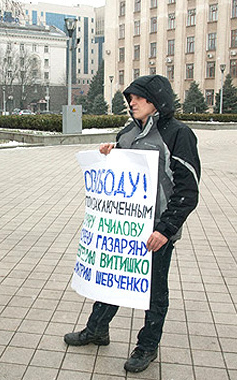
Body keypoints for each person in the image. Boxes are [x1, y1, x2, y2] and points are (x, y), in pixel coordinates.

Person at [64, 74, 201, 373]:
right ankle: (97, 330)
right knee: (110, 279)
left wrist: (165, 230)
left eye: (138, 97)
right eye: (129, 98)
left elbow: (188, 191)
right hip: (125, 229)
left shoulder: (178, 135)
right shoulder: (127, 134)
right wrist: (108, 156)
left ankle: (147, 346)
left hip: (156, 232)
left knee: (155, 292)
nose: (131, 102)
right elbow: (121, 177)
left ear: (157, 100)